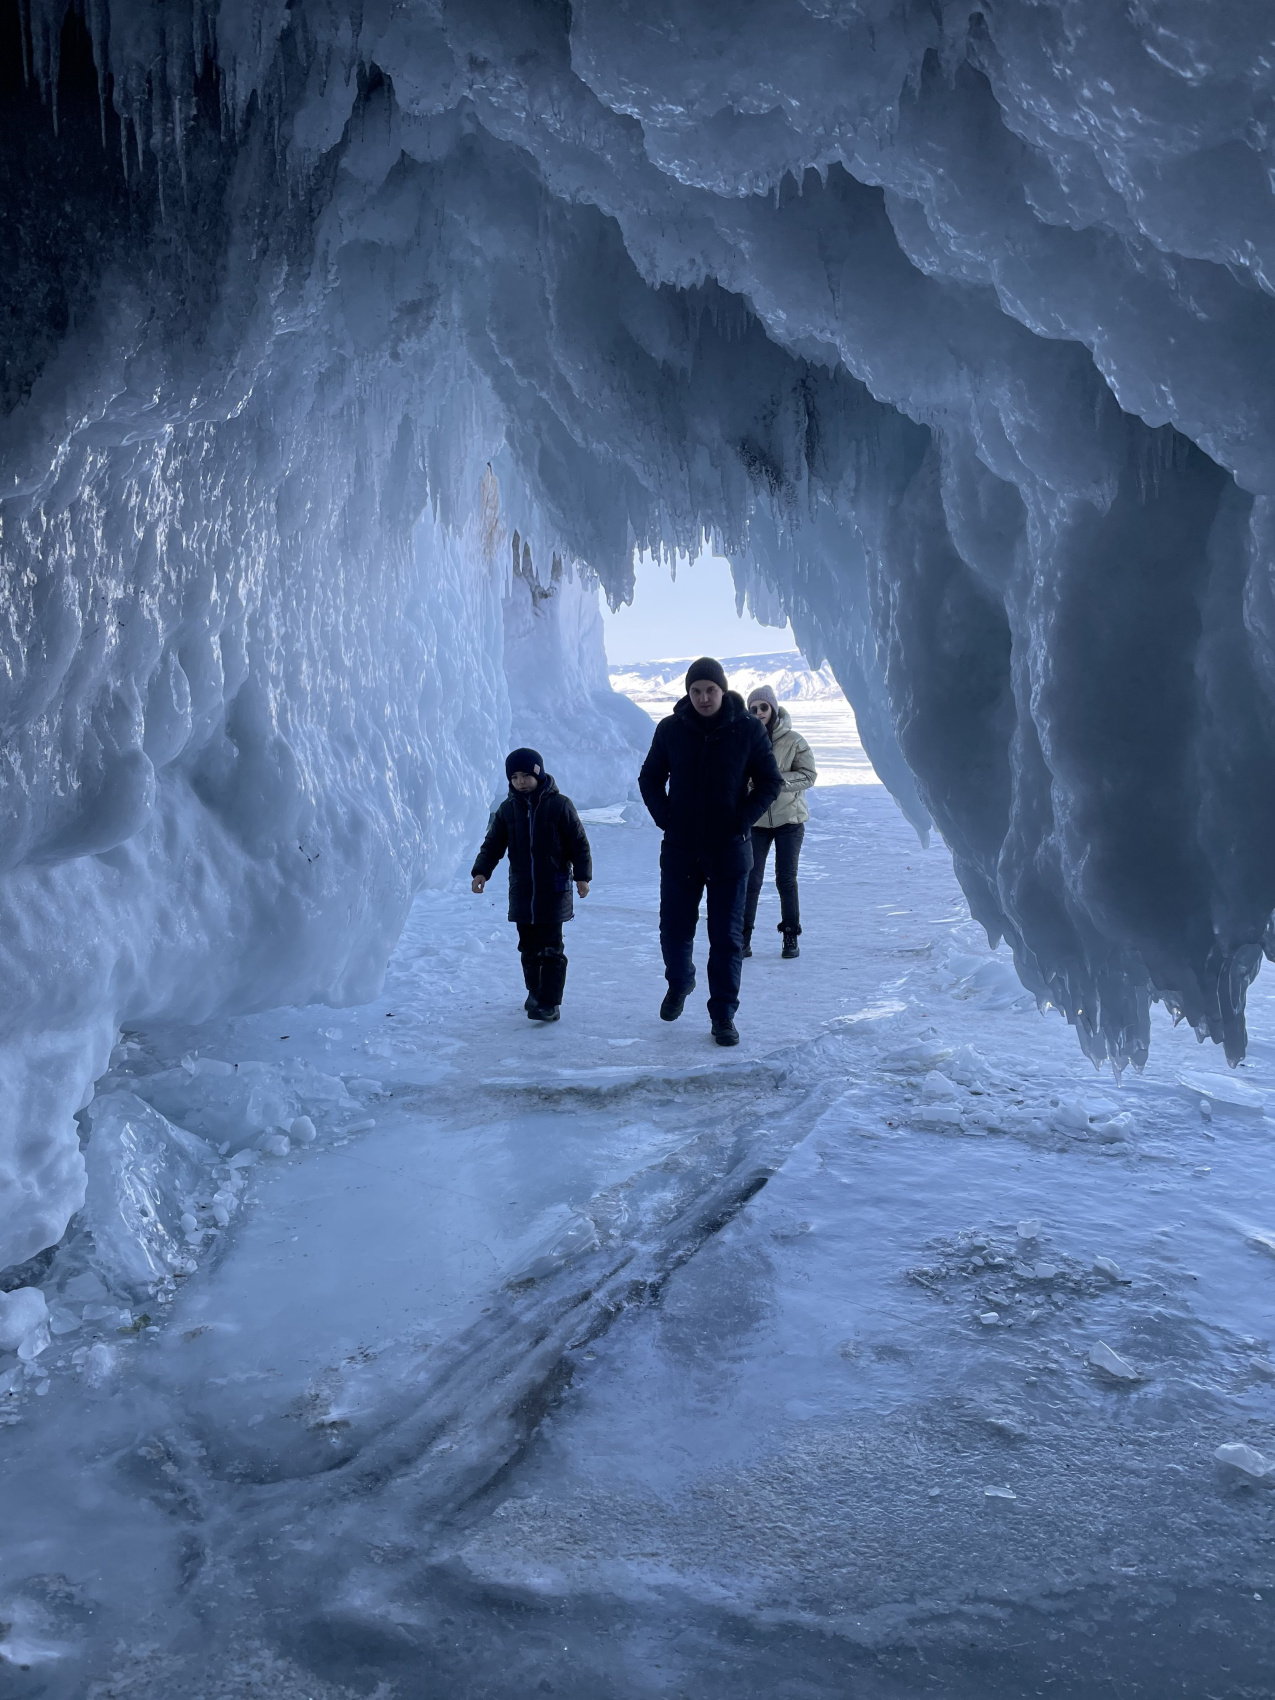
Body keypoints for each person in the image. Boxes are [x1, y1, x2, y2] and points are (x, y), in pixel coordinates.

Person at [638, 658, 784, 1046]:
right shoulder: (671, 729)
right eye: (696, 690)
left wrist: (743, 819)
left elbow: (771, 781)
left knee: (726, 938)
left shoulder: (748, 729)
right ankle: (680, 981)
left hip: (730, 852)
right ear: (688, 693)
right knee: (674, 929)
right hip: (682, 850)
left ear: (723, 690)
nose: (704, 697)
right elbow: (650, 777)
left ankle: (722, 1015)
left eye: (710, 690)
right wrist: (666, 817)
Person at [471, 748, 592, 1022]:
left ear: (538, 773)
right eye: (514, 777)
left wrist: (583, 876)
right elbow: (493, 845)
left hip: (554, 889)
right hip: (523, 891)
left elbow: (578, 843)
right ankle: (535, 992)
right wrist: (481, 872)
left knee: (550, 948)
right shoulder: (507, 810)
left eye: (526, 775)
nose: (520, 782)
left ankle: (549, 1002)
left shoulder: (559, 805)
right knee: (527, 947)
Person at [742, 684, 817, 959]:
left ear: (773, 708)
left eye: (763, 707)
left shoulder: (795, 741)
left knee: (786, 880)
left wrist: (775, 781)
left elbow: (808, 775)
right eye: (753, 708)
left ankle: (790, 937)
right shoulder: (745, 740)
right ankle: (742, 938)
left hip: (790, 820)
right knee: (751, 880)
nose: (759, 712)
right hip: (757, 821)